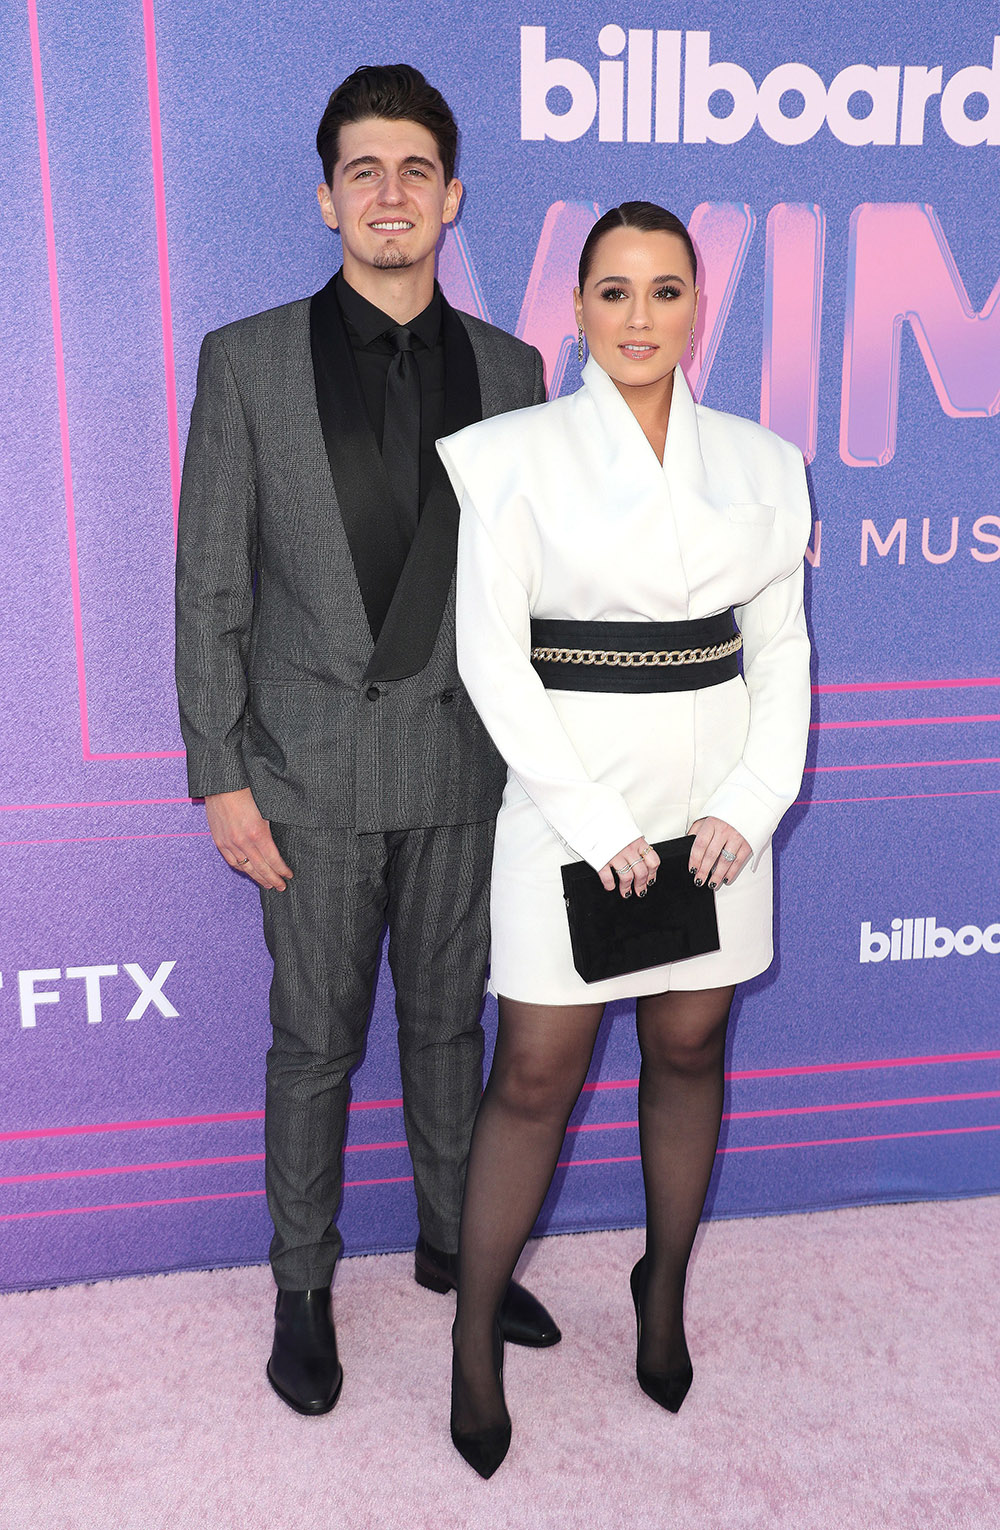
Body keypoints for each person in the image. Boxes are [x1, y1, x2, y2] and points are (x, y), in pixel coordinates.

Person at [174, 64, 560, 1419]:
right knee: (317, 1042)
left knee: (452, 1032)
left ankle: (460, 1248)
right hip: (304, 775)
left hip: (465, 772)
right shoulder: (246, 360)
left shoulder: (515, 370)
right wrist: (220, 772)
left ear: (451, 197)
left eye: (414, 171)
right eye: (363, 171)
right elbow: (210, 586)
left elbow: (535, 584)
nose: (388, 194)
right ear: (326, 196)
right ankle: (301, 1284)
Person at [436, 201, 812, 1476]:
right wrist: (594, 825)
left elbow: (781, 649)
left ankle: (661, 1291)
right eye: (613, 292)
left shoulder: (764, 462)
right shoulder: (510, 456)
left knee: (691, 1041)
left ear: (695, 303)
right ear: (578, 308)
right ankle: (475, 1340)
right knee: (533, 1069)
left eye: (663, 291)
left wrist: (751, 802)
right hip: (566, 796)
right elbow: (494, 661)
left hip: (714, 804)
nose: (639, 317)